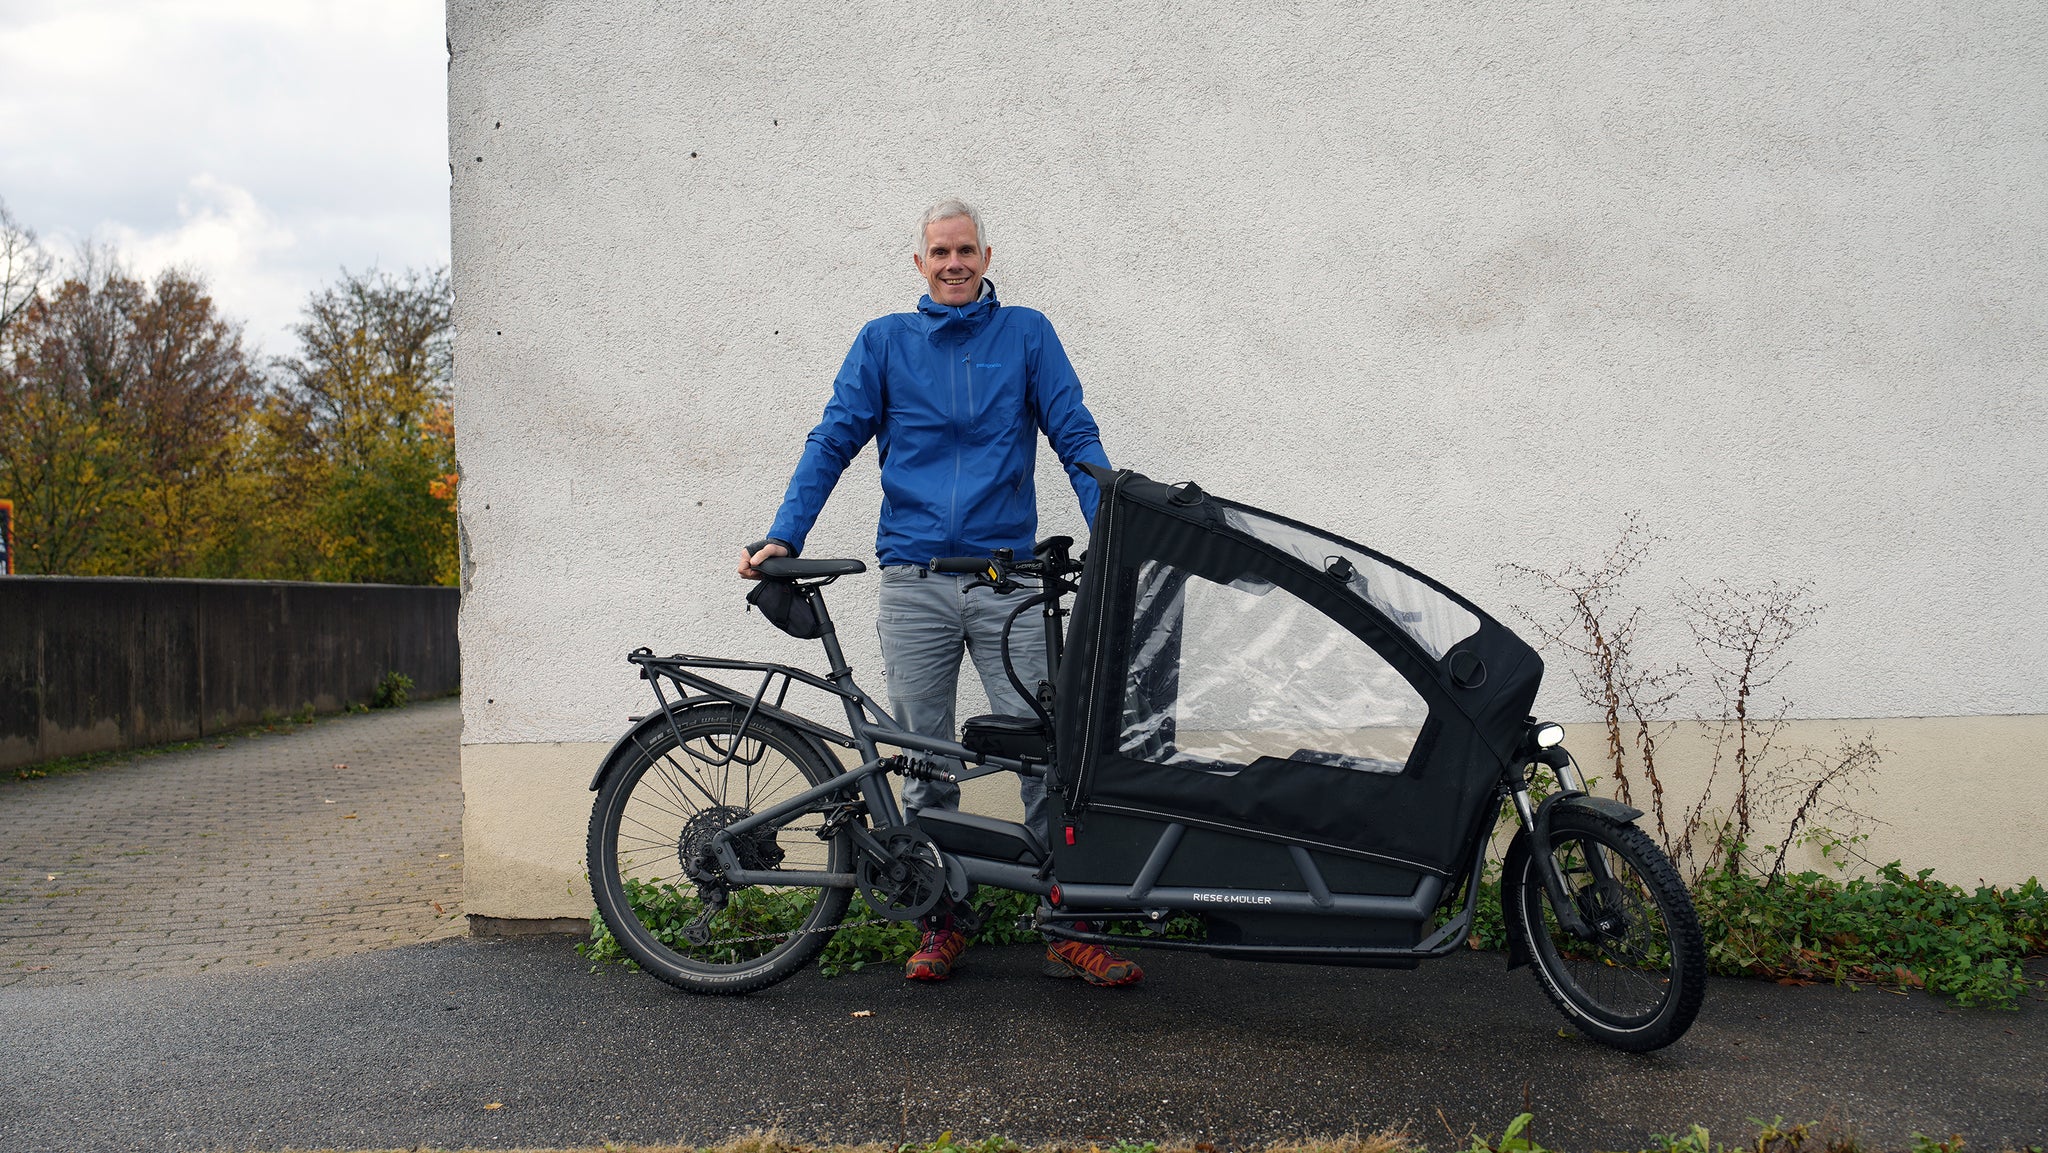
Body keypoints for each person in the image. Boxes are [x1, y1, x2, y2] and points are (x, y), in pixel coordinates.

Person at [739, 198, 1142, 988]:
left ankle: (1066, 923)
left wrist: (1114, 528)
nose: (954, 263)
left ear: (987, 258)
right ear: (918, 264)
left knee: (1044, 752)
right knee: (925, 756)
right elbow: (833, 439)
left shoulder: (1027, 334)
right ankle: (942, 919)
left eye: (966, 250)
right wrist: (783, 532)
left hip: (1008, 581)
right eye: (939, 252)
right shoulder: (884, 343)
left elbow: (1075, 432)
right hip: (914, 584)